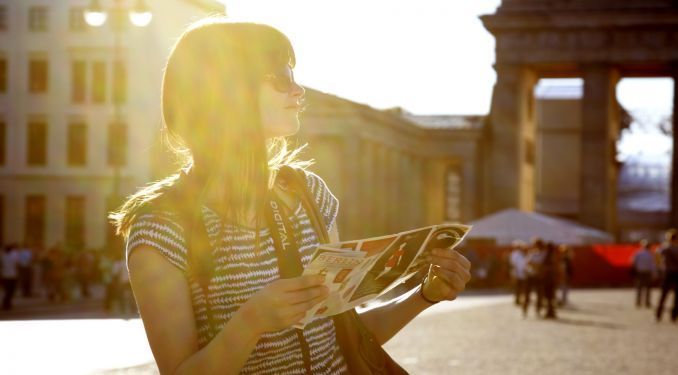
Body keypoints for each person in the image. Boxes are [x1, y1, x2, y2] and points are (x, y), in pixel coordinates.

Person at [110, 18, 472, 374]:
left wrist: (424, 295)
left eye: (294, 79)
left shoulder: (308, 193)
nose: (298, 92)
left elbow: (345, 337)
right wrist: (250, 323)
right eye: (281, 80)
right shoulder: (160, 226)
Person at [655, 230, 678, 322]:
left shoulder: (665, 248)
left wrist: (661, 266)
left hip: (668, 273)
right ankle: (674, 314)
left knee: (664, 294)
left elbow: (656, 255)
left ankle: (659, 313)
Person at [631, 240, 656, 308]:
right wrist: (654, 273)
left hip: (640, 272)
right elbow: (653, 265)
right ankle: (647, 302)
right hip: (647, 272)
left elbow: (633, 262)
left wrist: (635, 271)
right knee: (648, 288)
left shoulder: (638, 253)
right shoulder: (651, 254)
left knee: (639, 288)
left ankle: (638, 302)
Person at [1, 244, 21, 310]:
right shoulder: (13, 257)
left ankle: (6, 302)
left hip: (4, 276)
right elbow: (17, 264)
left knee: (7, 290)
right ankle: (7, 302)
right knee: (11, 290)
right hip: (12, 276)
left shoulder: (3, 257)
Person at [509, 241, 528, 306]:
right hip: (517, 273)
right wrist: (515, 273)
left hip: (522, 273)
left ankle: (520, 299)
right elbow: (513, 264)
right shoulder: (515, 254)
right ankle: (517, 300)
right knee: (517, 287)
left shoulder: (522, 254)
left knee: (521, 287)